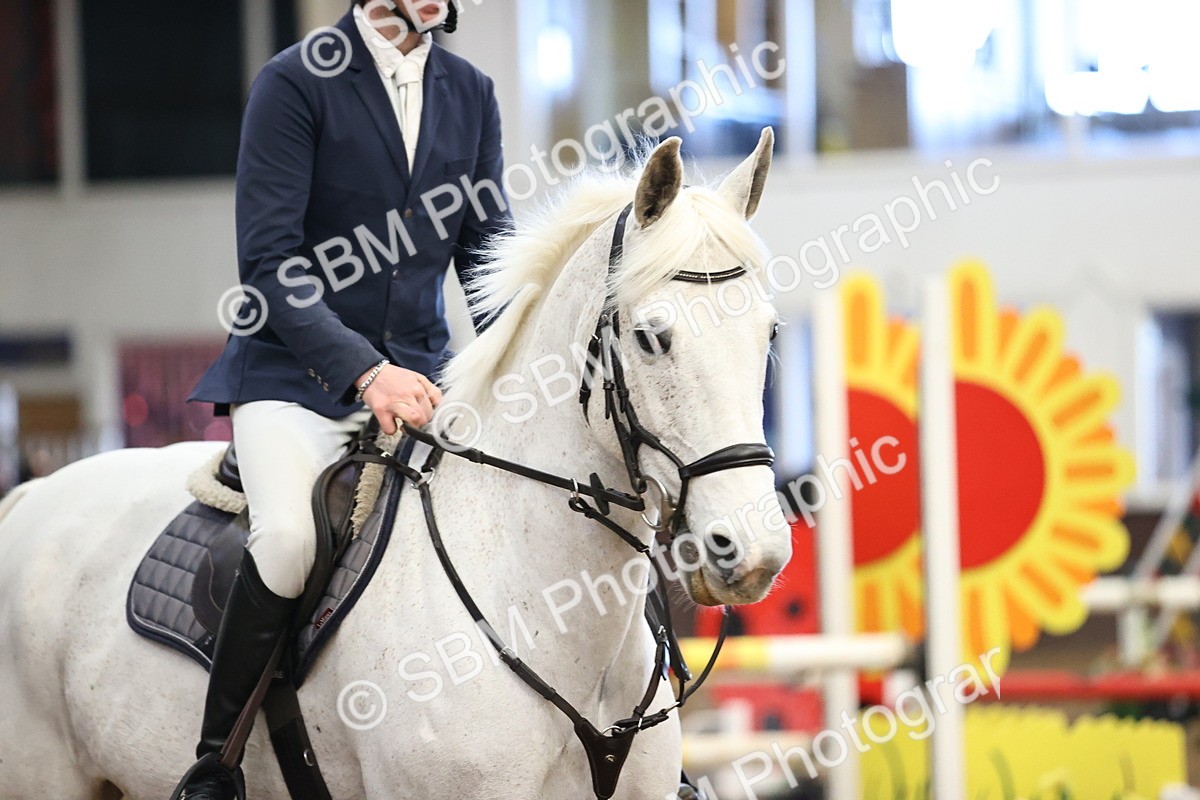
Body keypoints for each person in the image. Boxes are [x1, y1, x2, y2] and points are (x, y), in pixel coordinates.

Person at [178, 0, 510, 796]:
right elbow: (271, 262)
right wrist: (365, 372)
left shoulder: (472, 91)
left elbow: (488, 256)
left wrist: (528, 360)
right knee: (290, 538)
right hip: (296, 381)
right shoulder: (294, 81)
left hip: (426, 380)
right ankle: (214, 766)